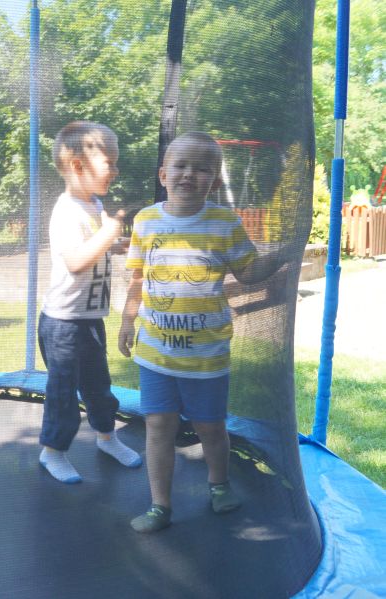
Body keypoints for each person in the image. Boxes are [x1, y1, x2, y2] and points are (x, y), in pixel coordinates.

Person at [119, 131, 285, 533]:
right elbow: (138, 276)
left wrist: (283, 254)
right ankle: (160, 505)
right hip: (156, 354)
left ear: (214, 181)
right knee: (158, 426)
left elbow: (248, 273)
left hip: (207, 356)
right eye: (180, 166)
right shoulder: (146, 220)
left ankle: (219, 483)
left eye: (202, 168)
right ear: (163, 175)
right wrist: (127, 319)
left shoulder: (224, 223)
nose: (189, 174)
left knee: (210, 427)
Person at [38, 121, 143, 485]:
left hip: (90, 319)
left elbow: (96, 247)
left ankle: (107, 438)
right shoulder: (66, 210)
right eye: (109, 163)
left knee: (99, 386)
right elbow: (76, 261)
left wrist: (119, 244)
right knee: (63, 392)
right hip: (63, 324)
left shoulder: (94, 203)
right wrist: (110, 231)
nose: (116, 171)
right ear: (77, 165)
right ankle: (52, 452)